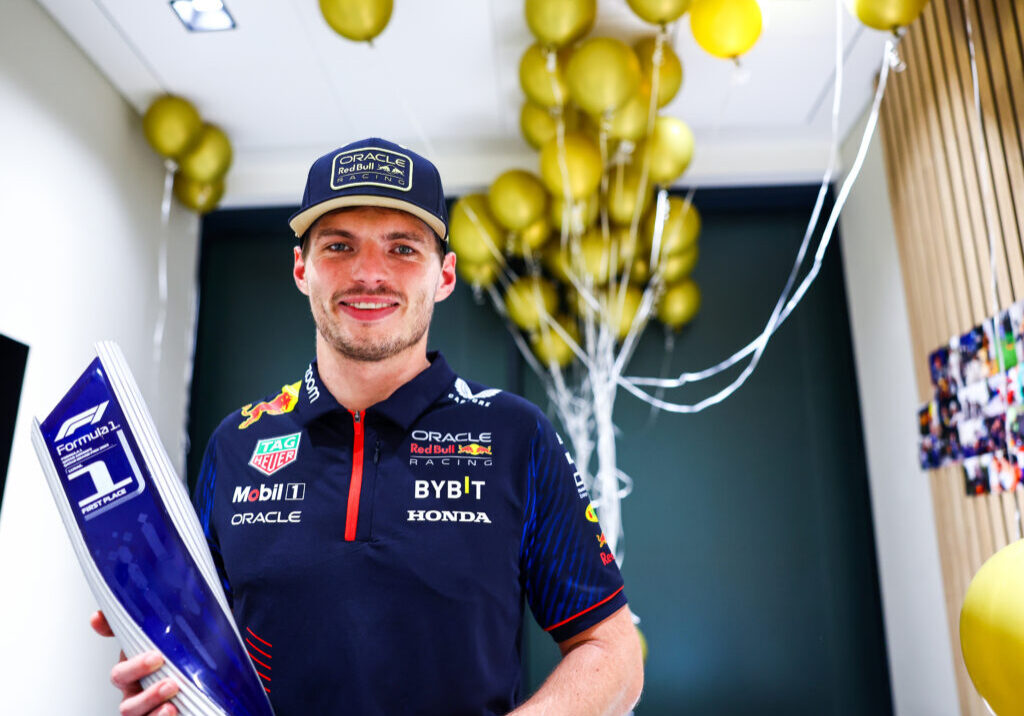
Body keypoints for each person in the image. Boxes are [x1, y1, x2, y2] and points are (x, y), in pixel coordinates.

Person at [91, 138, 643, 715]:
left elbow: (612, 651)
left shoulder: (514, 436)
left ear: (445, 276)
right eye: (339, 246)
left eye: (403, 248)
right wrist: (171, 687)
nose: (369, 273)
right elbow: (200, 648)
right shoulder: (237, 443)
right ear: (302, 268)